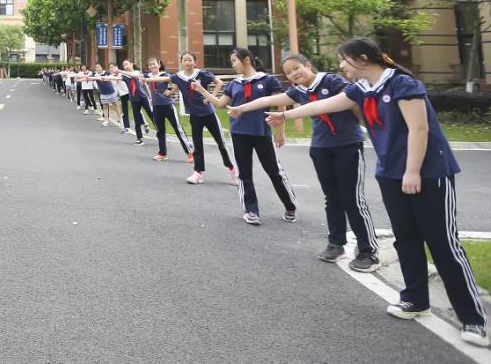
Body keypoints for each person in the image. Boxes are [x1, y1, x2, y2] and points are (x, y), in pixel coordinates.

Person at [266, 38, 488, 347]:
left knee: (443, 244)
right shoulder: (362, 89)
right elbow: (325, 105)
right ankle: (415, 299)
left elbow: (419, 129)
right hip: (390, 173)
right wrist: (286, 116)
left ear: (361, 59)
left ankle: (473, 319)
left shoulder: (402, 84)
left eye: (343, 60)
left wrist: (412, 171)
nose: (340, 66)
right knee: (406, 238)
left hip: (428, 173)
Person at [231, 53, 378, 271]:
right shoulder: (299, 91)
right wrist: (241, 108)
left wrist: (357, 124)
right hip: (320, 147)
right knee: (332, 197)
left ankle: (368, 251)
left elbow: (351, 104)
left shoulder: (331, 80)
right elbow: (268, 101)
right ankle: (336, 243)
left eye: (296, 68)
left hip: (347, 145)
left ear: (308, 65)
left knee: (352, 198)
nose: (293, 74)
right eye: (288, 73)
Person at [192, 48, 296, 226]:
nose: (232, 65)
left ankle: (289, 206)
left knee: (274, 171)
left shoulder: (268, 80)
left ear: (246, 60)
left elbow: (280, 105)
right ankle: (251, 210)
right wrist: (201, 89)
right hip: (239, 134)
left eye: (234, 61)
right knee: (244, 174)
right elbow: (220, 104)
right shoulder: (234, 84)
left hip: (262, 133)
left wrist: (280, 131)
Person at [168, 52, 236, 185]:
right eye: (185, 60)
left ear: (195, 62)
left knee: (221, 143)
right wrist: (142, 78)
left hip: (209, 114)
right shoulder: (179, 77)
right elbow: (162, 79)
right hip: (195, 116)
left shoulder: (202, 74)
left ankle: (233, 170)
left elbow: (219, 82)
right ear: (181, 62)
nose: (187, 62)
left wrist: (210, 97)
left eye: (190, 60)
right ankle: (198, 173)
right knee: (197, 145)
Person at [132, 58, 193, 162]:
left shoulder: (165, 75)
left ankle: (190, 152)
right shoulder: (147, 76)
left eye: (154, 64)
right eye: (150, 65)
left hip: (168, 105)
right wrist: (119, 71)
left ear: (159, 64)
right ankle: (162, 153)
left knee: (178, 129)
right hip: (156, 107)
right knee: (160, 131)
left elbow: (178, 83)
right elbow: (134, 75)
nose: (152, 66)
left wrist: (171, 92)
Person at [118, 60, 151, 145]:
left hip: (143, 98)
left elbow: (134, 75)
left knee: (152, 115)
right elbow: (114, 77)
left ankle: (160, 134)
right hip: (134, 100)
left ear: (131, 64)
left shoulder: (137, 72)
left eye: (126, 64)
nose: (125, 66)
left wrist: (120, 71)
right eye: (124, 65)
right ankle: (139, 139)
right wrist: (101, 78)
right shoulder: (124, 76)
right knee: (137, 120)